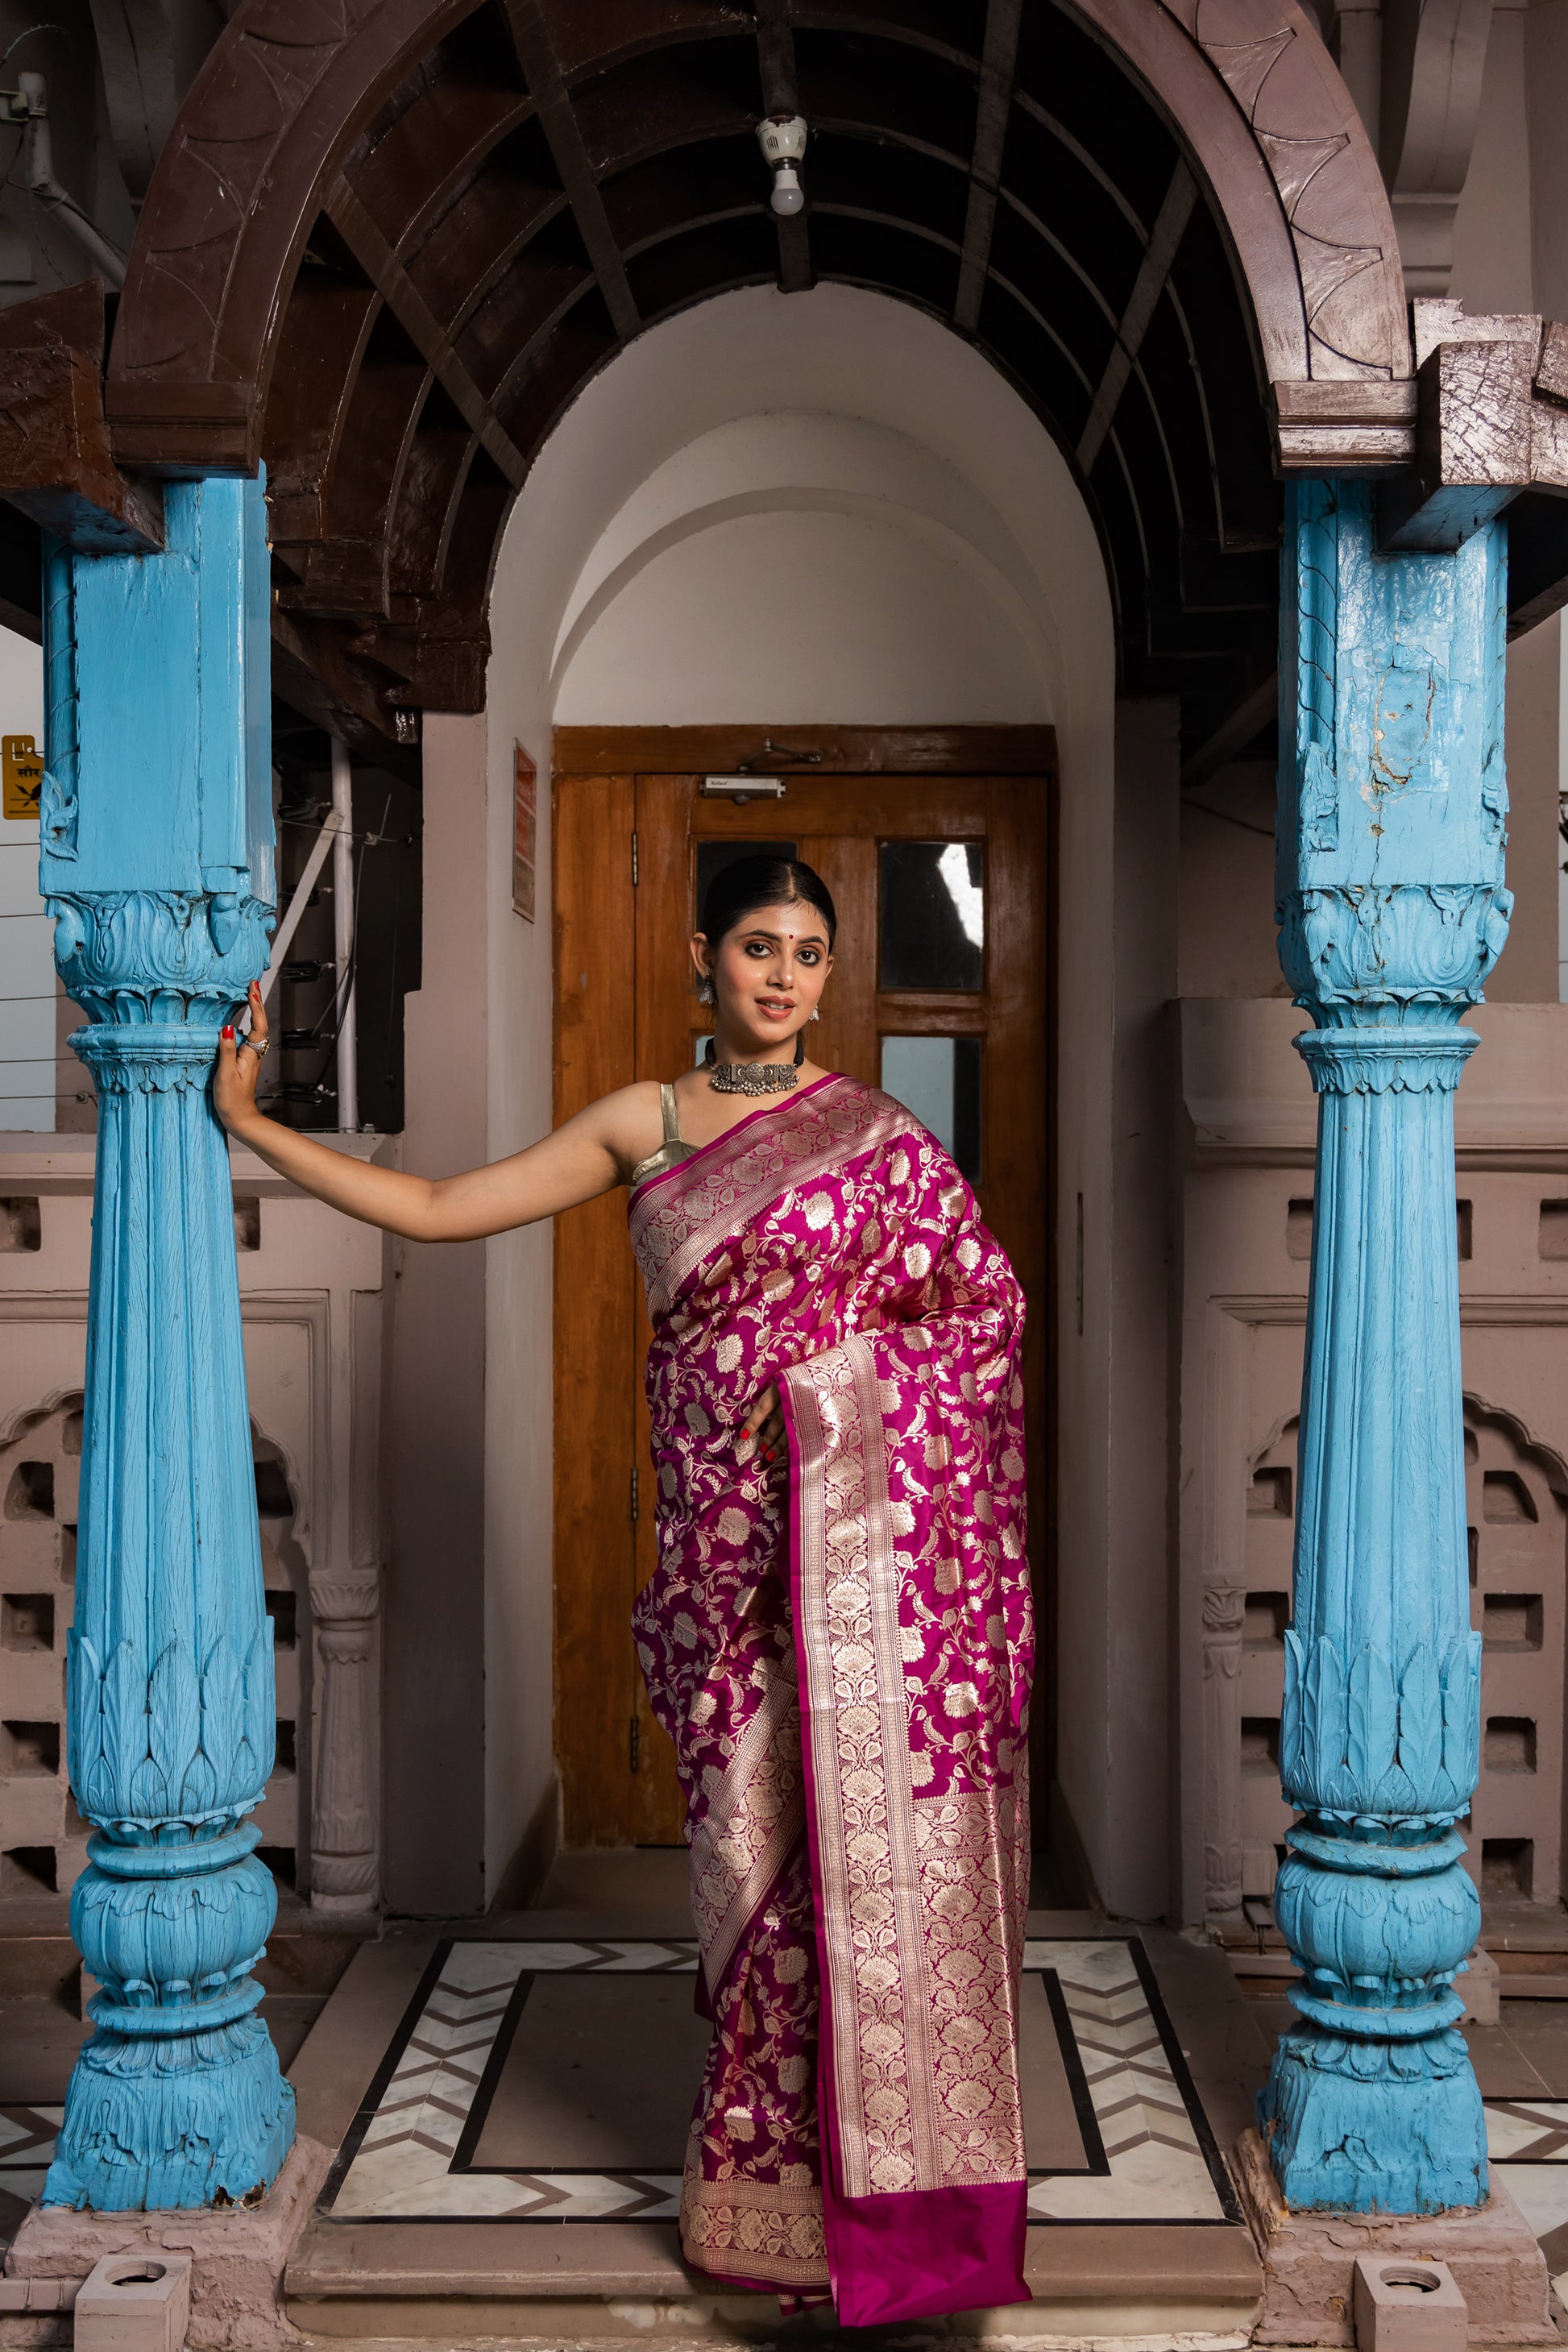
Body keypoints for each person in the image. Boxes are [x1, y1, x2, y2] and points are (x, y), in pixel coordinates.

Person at [214, 853, 1034, 2325]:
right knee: (745, 1864)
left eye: (807, 953)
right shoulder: (643, 1126)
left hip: (868, 1565)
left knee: (860, 1857)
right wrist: (249, 1122)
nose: (783, 976)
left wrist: (842, 1401)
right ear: (699, 960)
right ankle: (763, 2202)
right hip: (720, 1559)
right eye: (755, 947)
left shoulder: (882, 1141)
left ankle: (898, 2221)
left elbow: (979, 1311)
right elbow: (447, 1205)